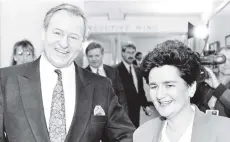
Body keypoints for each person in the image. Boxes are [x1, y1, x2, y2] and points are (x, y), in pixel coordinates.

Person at [0, 4, 135, 142]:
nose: (64, 43)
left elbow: (126, 136)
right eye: (57, 33)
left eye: (73, 37)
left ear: (82, 42)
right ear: (44, 33)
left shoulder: (101, 87)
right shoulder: (5, 80)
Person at [133, 40, 230, 142]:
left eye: (169, 85)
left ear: (191, 88)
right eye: (154, 86)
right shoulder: (142, 135)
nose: (159, 95)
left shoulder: (224, 132)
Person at [114, 42, 153, 128]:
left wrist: (145, 105)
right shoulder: (115, 70)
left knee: (134, 132)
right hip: (121, 110)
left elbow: (140, 90)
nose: (131, 55)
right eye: (128, 52)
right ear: (122, 54)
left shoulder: (138, 70)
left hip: (136, 110)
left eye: (133, 53)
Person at [85, 41, 128, 114]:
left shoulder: (112, 71)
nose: (94, 59)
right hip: (92, 119)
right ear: (87, 57)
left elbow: (120, 94)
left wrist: (123, 115)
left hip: (113, 116)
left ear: (102, 55)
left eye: (97, 55)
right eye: (90, 56)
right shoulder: (83, 74)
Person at [192, 47, 230, 117]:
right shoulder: (206, 78)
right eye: (222, 60)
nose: (226, 64)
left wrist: (218, 87)